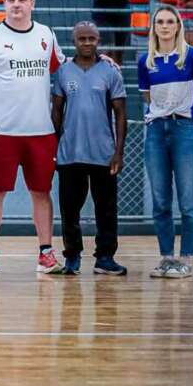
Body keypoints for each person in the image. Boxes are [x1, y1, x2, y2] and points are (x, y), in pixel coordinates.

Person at [0, 0, 66, 275]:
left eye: (22, 0)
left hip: (40, 131)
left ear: (32, 3)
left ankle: (46, 253)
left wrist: (99, 60)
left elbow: (61, 69)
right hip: (0, 131)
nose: (16, 5)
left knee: (41, 192)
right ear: (3, 3)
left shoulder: (47, 35)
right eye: (11, 0)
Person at [139, 6, 193, 279]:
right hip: (156, 131)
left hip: (185, 130)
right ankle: (167, 258)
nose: (165, 26)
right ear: (154, 27)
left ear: (178, 26)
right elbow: (148, 99)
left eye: (170, 21)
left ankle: (185, 259)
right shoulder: (146, 60)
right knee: (160, 200)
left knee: (188, 200)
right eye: (160, 22)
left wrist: (187, 121)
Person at [51, 21, 128, 276]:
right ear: (74, 41)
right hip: (70, 153)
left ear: (98, 40)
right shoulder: (63, 72)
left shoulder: (110, 72)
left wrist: (118, 151)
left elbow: (120, 114)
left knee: (106, 209)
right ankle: (72, 256)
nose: (87, 43)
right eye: (82, 39)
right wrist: (56, 146)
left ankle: (105, 257)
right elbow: (57, 111)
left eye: (91, 39)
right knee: (69, 209)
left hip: (103, 154)